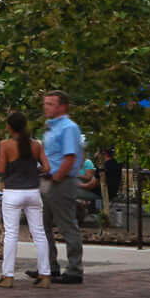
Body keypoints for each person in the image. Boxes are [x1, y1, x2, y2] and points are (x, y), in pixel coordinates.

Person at [38, 91, 89, 285]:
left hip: (61, 181)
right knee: (42, 226)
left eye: (51, 104)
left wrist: (57, 177)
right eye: (45, 104)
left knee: (67, 224)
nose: (46, 107)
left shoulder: (69, 128)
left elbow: (70, 157)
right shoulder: (51, 128)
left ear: (62, 107)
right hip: (48, 179)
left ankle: (75, 269)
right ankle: (49, 266)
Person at [0, 113, 48, 286]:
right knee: (39, 233)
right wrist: (32, 172)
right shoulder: (36, 145)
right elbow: (47, 167)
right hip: (33, 192)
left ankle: (8, 276)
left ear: (9, 127)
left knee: (11, 234)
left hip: (13, 192)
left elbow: (1, 169)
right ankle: (45, 275)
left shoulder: (5, 145)